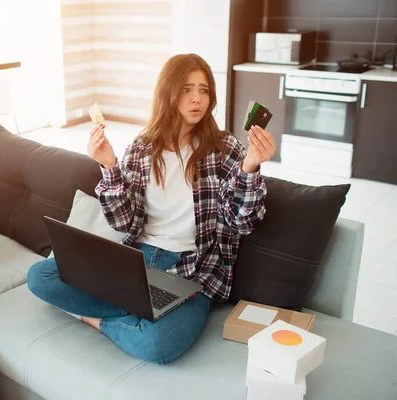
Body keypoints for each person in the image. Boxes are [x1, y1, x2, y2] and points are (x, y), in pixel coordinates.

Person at [27, 53, 276, 364]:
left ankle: (97, 320)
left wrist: (250, 166)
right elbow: (122, 222)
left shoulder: (225, 149)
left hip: (192, 275)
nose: (196, 99)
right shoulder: (142, 148)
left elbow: (242, 221)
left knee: (158, 344)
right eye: (186, 89)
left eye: (203, 90)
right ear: (167, 93)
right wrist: (109, 166)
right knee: (41, 277)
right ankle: (142, 309)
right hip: (137, 264)